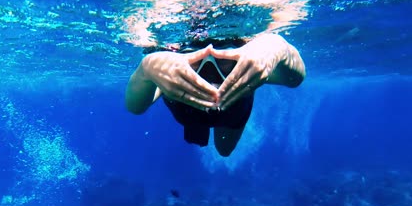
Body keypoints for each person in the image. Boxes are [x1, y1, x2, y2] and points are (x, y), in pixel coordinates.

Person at [125, 33, 306, 156]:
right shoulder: (166, 72)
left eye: (225, 62)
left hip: (233, 115)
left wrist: (275, 48)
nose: (210, 72)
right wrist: (147, 68)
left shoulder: (250, 67)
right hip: (191, 117)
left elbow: (294, 80)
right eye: (194, 62)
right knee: (204, 139)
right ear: (176, 56)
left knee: (224, 150)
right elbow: (135, 107)